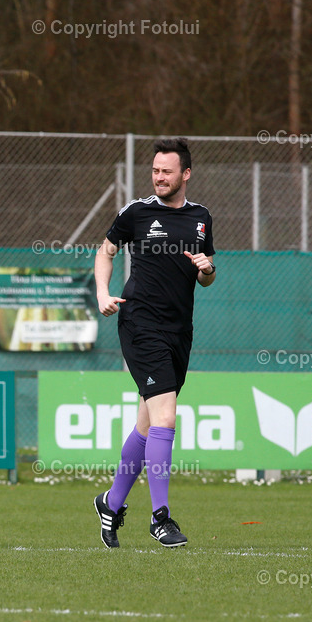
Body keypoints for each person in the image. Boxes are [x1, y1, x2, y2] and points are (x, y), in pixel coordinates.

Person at [92, 137, 215, 549]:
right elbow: (105, 252)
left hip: (179, 330)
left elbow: (206, 276)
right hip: (140, 324)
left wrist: (207, 269)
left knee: (147, 425)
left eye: (167, 171)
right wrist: (102, 293)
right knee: (166, 417)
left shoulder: (201, 218)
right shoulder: (136, 213)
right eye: (155, 171)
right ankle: (160, 517)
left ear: (186, 174)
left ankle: (111, 503)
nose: (159, 178)